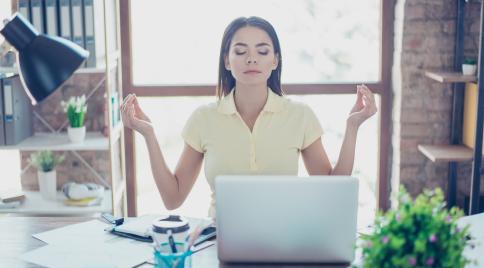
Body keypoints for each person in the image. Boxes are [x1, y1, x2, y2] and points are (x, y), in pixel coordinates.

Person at [120, 16, 377, 218]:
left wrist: (352, 127)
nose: (251, 58)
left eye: (263, 51)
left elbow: (330, 191)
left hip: (285, 236)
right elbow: (172, 198)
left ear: (275, 60)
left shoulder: (300, 116)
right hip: (221, 238)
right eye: (240, 51)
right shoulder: (203, 118)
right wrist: (149, 134)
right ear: (227, 61)